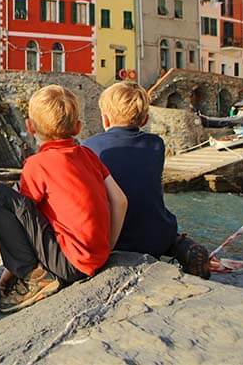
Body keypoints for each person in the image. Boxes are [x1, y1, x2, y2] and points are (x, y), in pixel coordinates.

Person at [0, 85, 128, 312]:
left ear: (30, 127)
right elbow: (120, 200)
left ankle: (34, 278)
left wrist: (8, 273)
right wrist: (106, 248)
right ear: (78, 127)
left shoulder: (37, 164)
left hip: (67, 265)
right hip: (97, 257)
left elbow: (22, 219)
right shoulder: (89, 154)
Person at [82, 82, 211, 278]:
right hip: (156, 236)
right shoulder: (156, 145)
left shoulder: (89, 147)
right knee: (162, 226)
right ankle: (181, 246)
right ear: (145, 119)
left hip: (116, 238)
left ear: (105, 119)